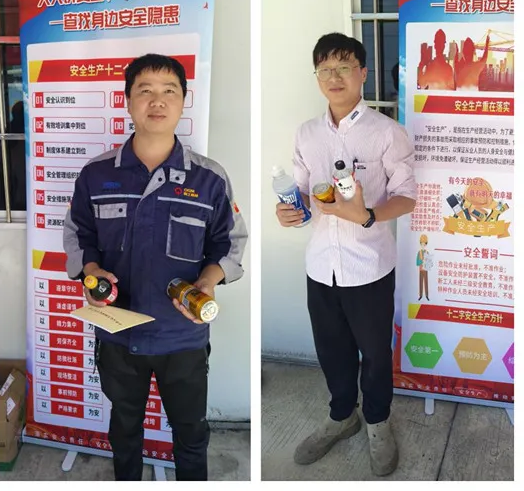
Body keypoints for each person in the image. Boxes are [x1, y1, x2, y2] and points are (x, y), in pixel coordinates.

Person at [63, 53, 248, 481]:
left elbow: (230, 243)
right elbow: (77, 233)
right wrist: (91, 271)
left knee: (191, 432)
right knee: (124, 429)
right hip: (118, 334)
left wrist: (208, 281)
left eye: (169, 91)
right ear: (128, 101)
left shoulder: (209, 179)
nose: (157, 101)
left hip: (181, 336)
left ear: (183, 102)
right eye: (145, 91)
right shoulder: (96, 175)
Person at [276, 33, 416, 477]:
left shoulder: (387, 133)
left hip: (369, 267)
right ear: (317, 76)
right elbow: (301, 190)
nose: (334, 77)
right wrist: (289, 210)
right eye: (325, 69)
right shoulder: (307, 133)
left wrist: (369, 215)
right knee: (332, 350)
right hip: (321, 266)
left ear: (362, 73)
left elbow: (407, 196)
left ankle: (377, 422)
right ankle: (342, 416)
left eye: (343, 67)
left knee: (374, 354)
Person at [416, 234, 430, 301]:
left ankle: (427, 295)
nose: (423, 245)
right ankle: (420, 295)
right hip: (421, 269)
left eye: (424, 244)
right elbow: (417, 262)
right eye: (422, 244)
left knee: (426, 282)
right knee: (420, 282)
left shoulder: (427, 252)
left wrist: (427, 262)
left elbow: (429, 262)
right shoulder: (419, 252)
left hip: (426, 269)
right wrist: (421, 261)